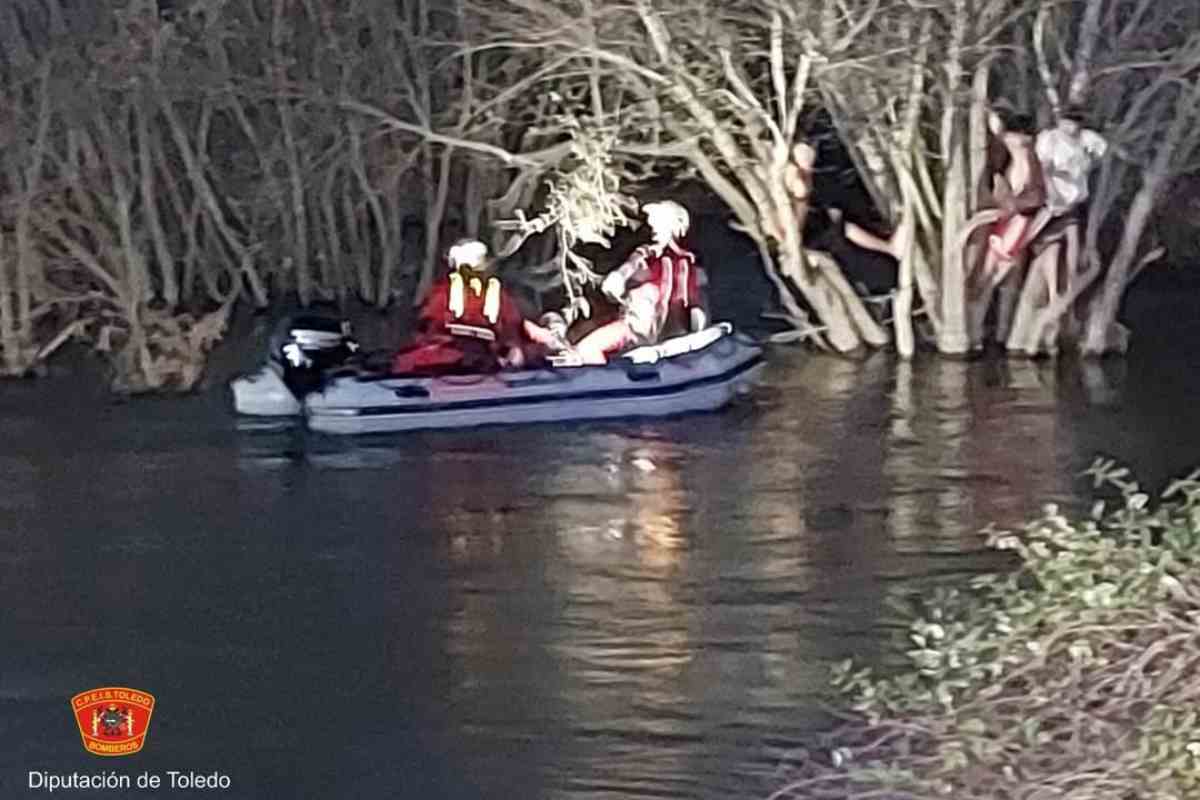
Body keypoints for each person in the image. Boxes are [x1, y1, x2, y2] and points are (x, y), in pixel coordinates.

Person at [529, 200, 709, 365]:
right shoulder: (674, 260)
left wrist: (619, 281)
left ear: (673, 225)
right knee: (585, 334)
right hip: (645, 328)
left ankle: (597, 379)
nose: (653, 227)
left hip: (640, 329)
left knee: (587, 348)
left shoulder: (668, 260)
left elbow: (696, 303)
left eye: (657, 222)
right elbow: (621, 278)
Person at [391, 238, 542, 375]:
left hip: (489, 366)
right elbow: (427, 330)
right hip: (446, 364)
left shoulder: (498, 296)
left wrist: (513, 350)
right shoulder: (442, 294)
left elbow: (512, 331)